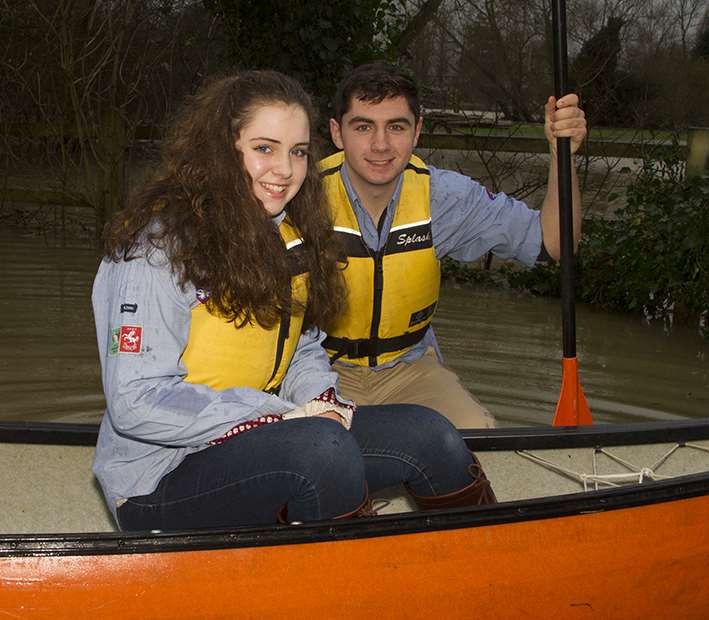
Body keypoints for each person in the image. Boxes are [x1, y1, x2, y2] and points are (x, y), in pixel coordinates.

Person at [91, 70, 495, 532]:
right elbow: (134, 400)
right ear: (223, 149)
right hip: (158, 478)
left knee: (432, 435)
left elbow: (301, 346)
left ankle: (485, 576)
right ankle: (346, 590)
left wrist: (320, 400)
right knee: (322, 450)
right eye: (265, 148)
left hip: (271, 438)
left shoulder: (287, 236)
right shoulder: (155, 250)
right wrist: (278, 416)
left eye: (298, 152)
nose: (285, 169)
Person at [320, 62, 587, 429]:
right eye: (363, 126)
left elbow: (555, 244)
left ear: (417, 132)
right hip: (318, 368)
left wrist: (563, 155)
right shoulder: (300, 197)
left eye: (396, 126)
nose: (380, 145)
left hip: (409, 368)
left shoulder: (445, 198)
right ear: (338, 132)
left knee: (481, 438)